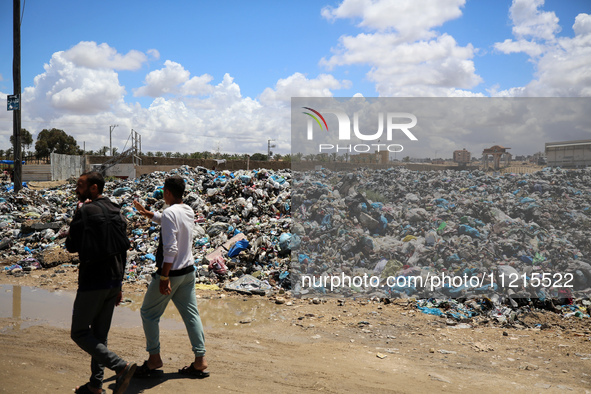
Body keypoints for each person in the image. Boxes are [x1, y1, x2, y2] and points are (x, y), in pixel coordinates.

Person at [66, 172, 137, 394]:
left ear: (94, 188)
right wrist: (120, 286)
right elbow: (123, 249)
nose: (77, 189)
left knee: (79, 332)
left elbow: (70, 246)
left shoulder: (84, 211)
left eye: (80, 185)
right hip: (114, 280)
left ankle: (120, 366)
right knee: (99, 336)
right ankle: (96, 386)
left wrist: (78, 218)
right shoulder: (116, 210)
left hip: (93, 281)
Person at [133, 176, 209, 378]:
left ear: (167, 192)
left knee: (148, 313)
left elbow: (170, 249)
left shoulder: (169, 213)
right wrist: (149, 214)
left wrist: (164, 278)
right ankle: (200, 360)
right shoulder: (188, 210)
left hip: (172, 273)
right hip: (188, 272)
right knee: (191, 315)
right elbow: (171, 220)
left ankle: (154, 358)